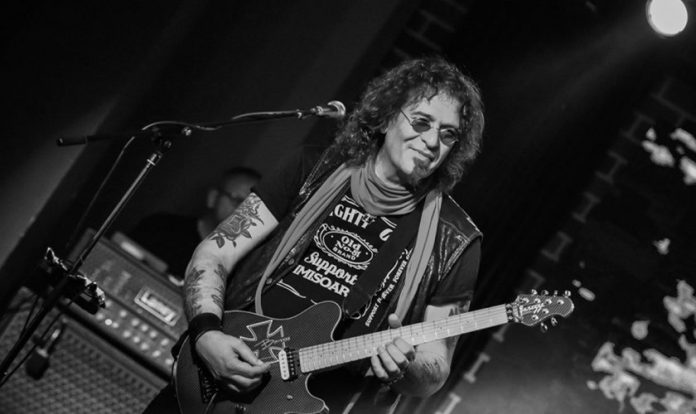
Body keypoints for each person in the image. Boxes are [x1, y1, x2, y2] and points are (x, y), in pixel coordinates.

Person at [144, 56, 484, 413]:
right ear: (386, 118)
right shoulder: (310, 169)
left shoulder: (455, 239)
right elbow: (215, 253)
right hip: (220, 380)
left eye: (448, 134)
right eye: (421, 122)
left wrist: (407, 365)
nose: (432, 141)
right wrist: (206, 334)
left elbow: (436, 366)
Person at [128, 167, 260, 278]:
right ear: (213, 197)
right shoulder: (160, 228)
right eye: (237, 200)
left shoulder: (243, 269)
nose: (242, 212)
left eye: (252, 208)